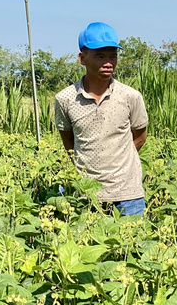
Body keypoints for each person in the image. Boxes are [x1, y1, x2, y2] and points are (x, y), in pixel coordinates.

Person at [55, 22, 148, 216]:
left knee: (134, 245)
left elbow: (139, 136)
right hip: (87, 194)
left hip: (128, 194)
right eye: (100, 56)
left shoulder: (130, 96)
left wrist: (118, 163)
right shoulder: (65, 99)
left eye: (112, 56)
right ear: (82, 58)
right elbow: (69, 144)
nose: (108, 62)